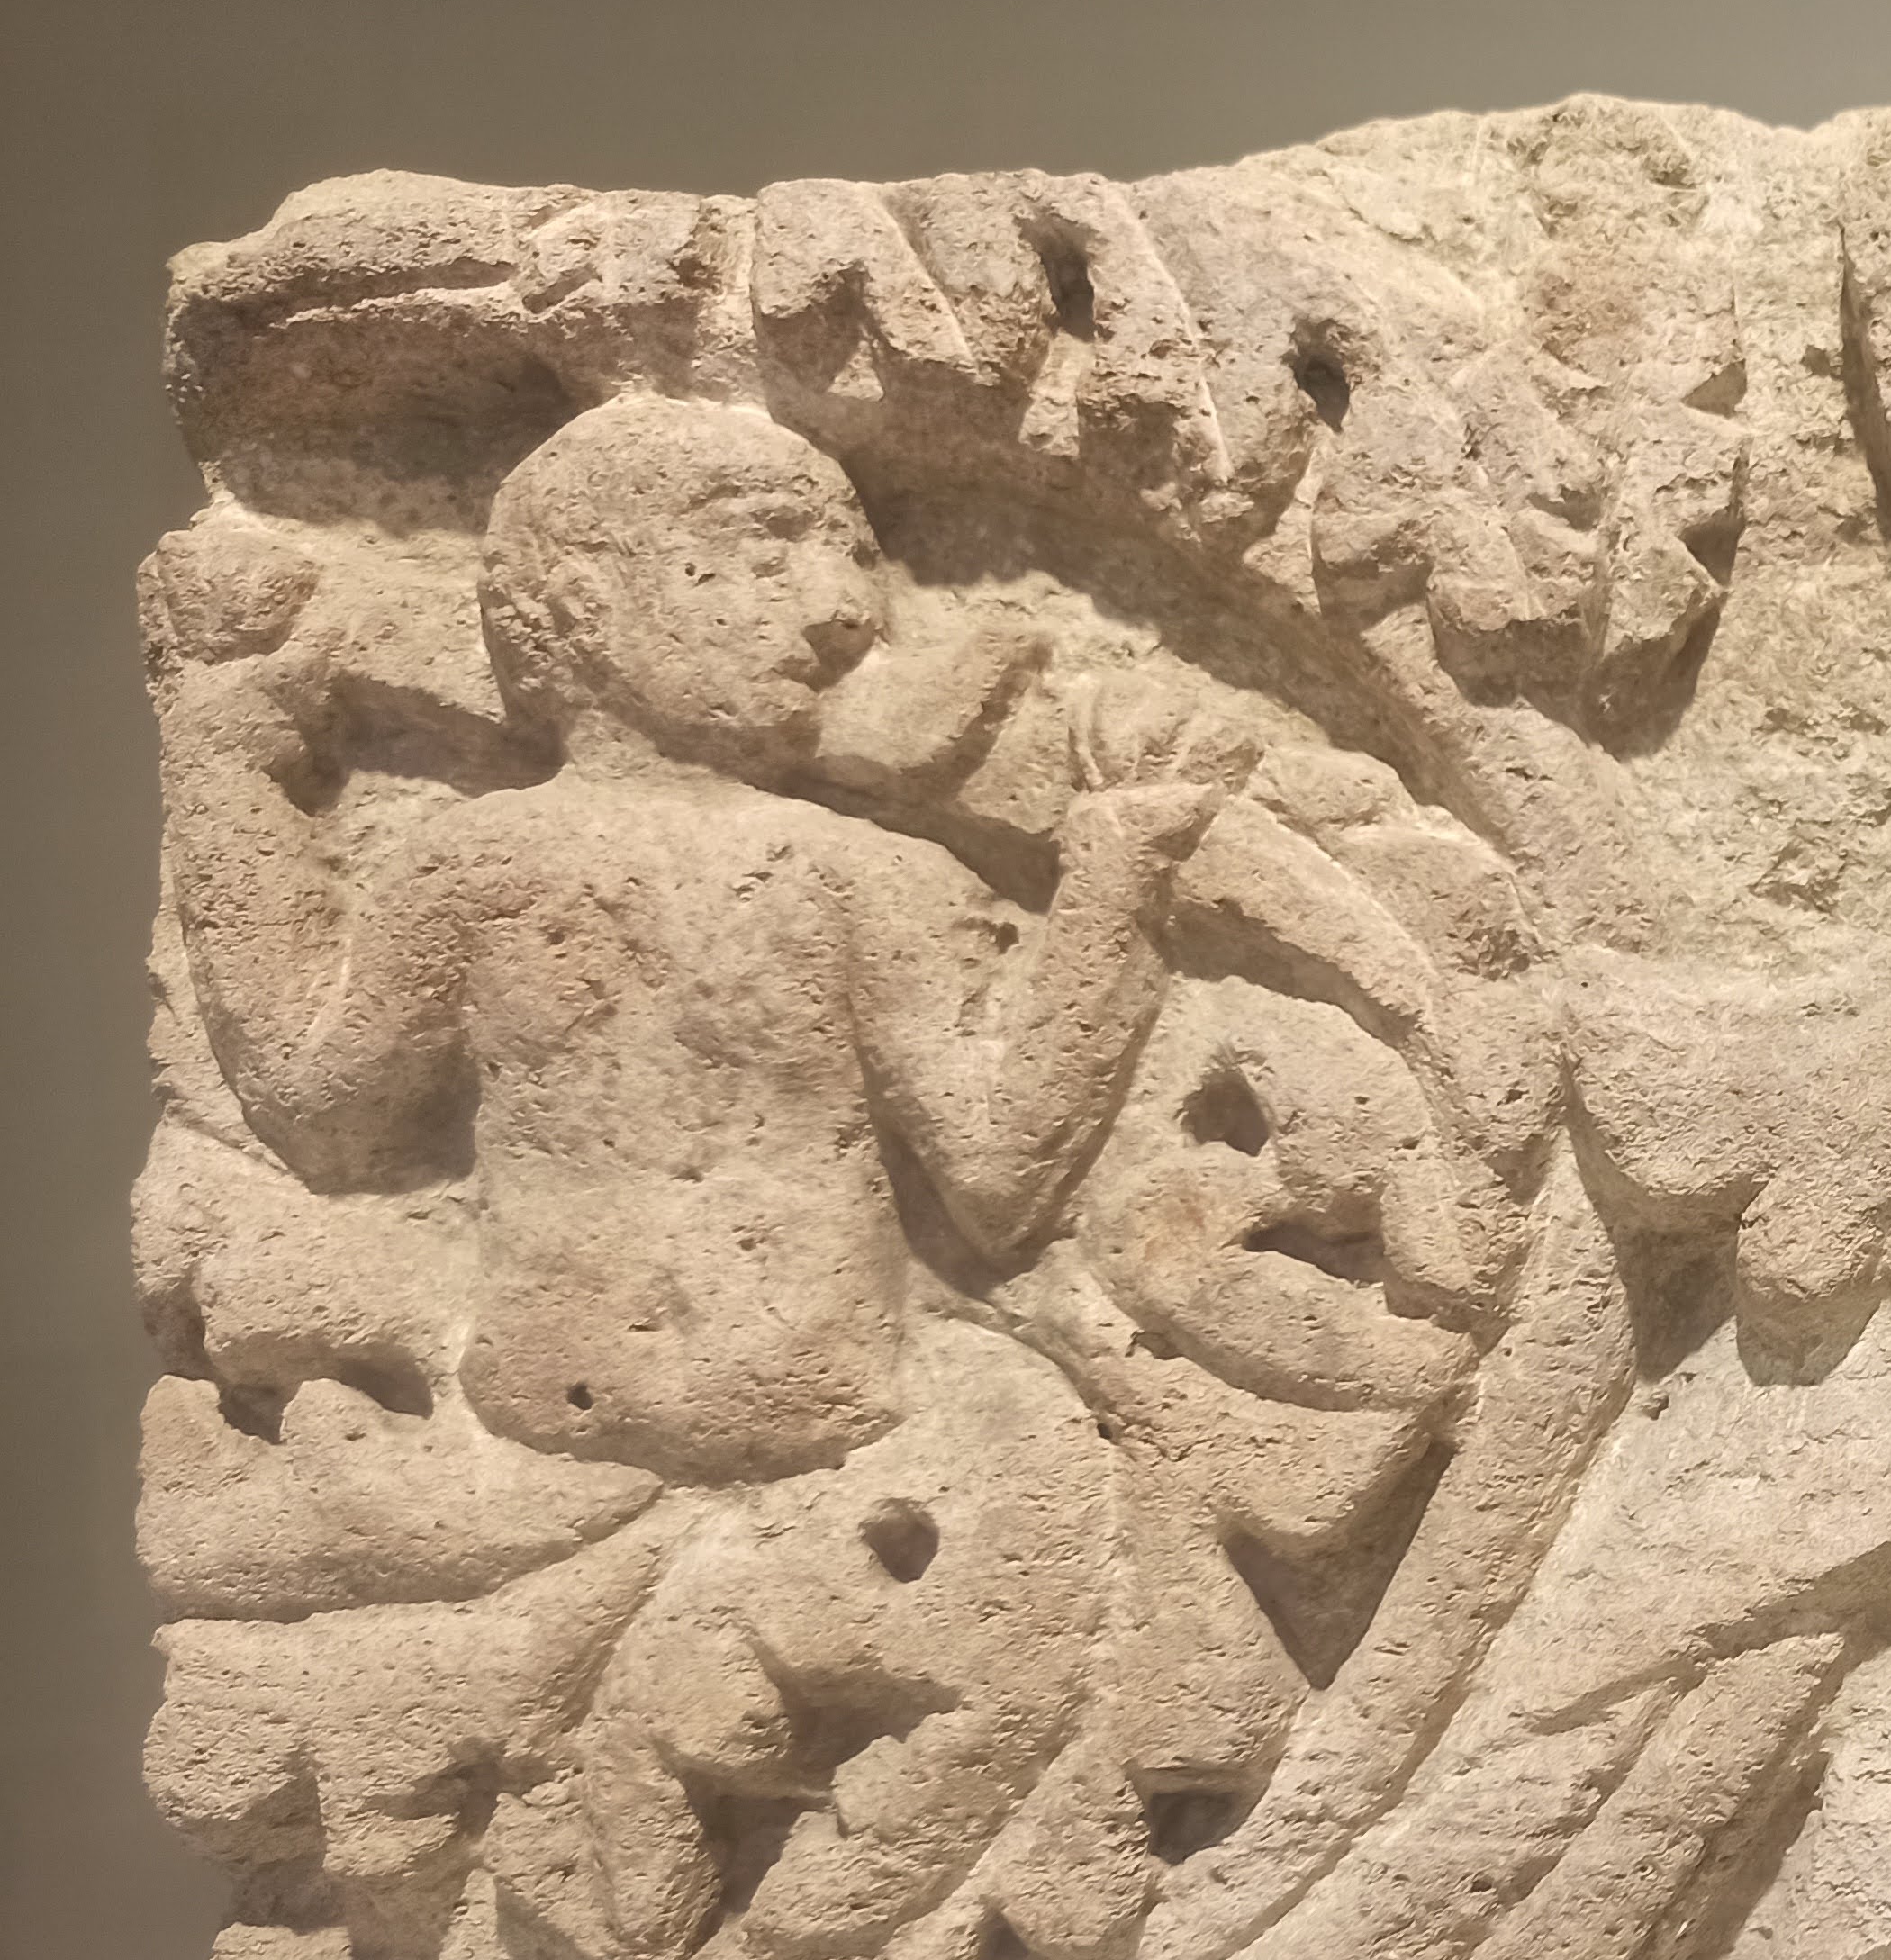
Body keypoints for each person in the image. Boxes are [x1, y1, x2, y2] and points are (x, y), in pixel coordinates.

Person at [157, 393, 1217, 1487]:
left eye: (848, 560)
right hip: (532, 1444)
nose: (846, 609)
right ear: (584, 604)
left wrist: (1115, 884)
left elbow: (999, 1181)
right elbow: (325, 1115)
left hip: (827, 1445)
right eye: (765, 550)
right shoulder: (472, 870)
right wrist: (225, 769)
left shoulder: (859, 877)